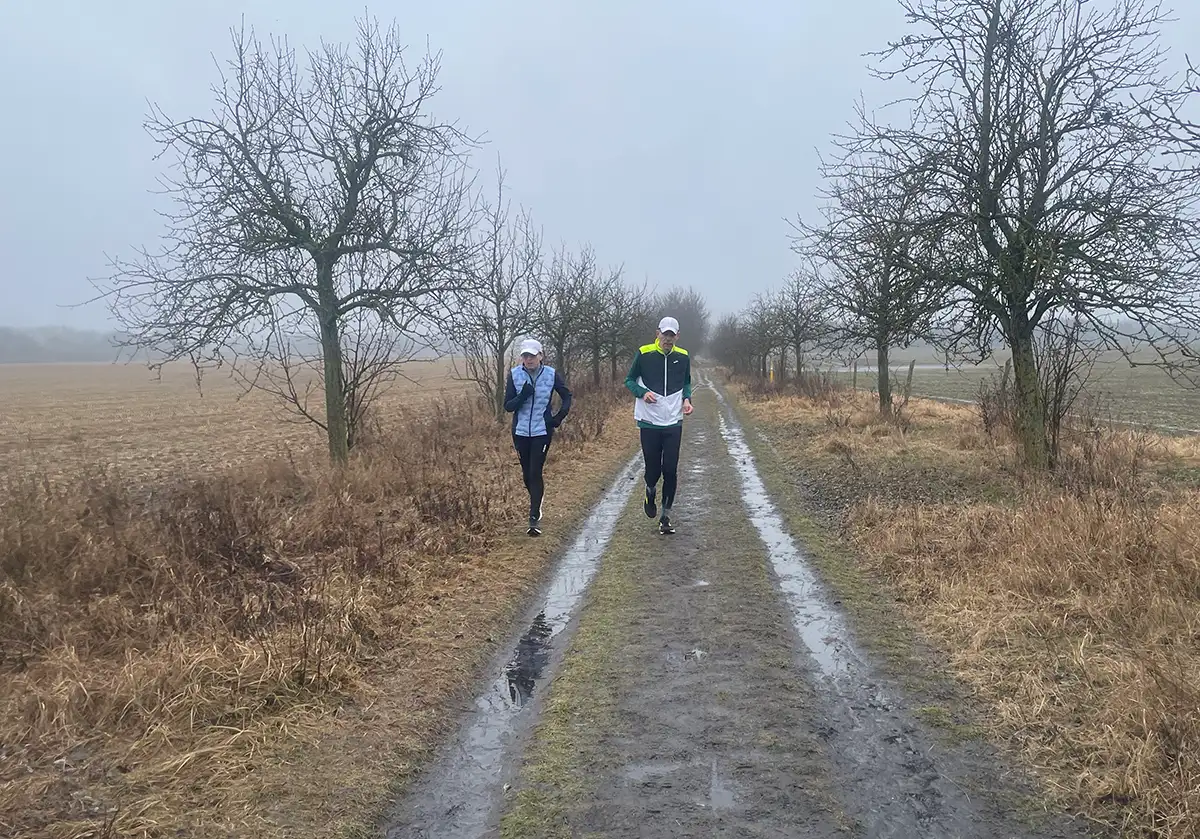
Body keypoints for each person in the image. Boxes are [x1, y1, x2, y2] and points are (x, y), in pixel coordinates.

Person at [624, 316, 693, 535]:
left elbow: (686, 381)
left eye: (672, 335)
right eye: (665, 334)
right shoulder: (644, 353)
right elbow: (629, 380)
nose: (668, 339)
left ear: (677, 336)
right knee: (653, 470)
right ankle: (650, 490)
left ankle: (665, 516)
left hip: (673, 421)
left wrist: (687, 399)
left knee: (670, 470)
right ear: (658, 334)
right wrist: (642, 393)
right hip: (649, 421)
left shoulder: (683, 356)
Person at [504, 338, 572, 536]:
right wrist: (523, 395)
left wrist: (558, 417)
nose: (529, 359)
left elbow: (567, 396)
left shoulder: (551, 374)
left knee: (535, 471)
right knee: (527, 475)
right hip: (520, 432)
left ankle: (534, 516)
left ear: (540, 356)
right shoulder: (514, 375)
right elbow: (508, 406)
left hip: (542, 431)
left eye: (532, 355)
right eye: (525, 356)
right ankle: (537, 498)